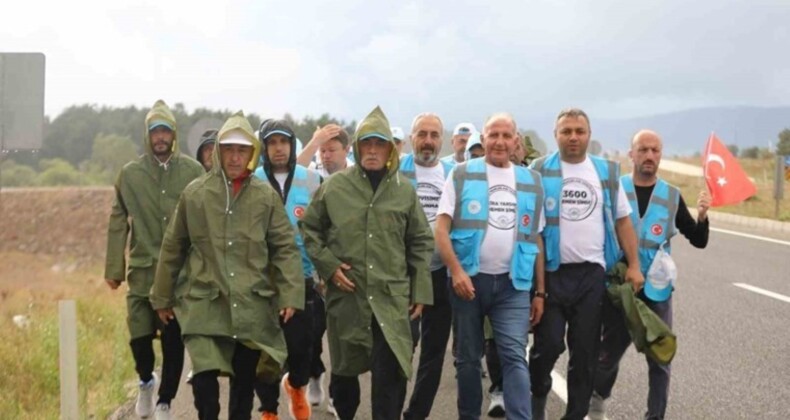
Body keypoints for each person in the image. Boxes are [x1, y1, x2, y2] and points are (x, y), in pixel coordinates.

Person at [150, 111, 304, 420]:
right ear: (218, 151)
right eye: (228, 149)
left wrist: (290, 294)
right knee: (205, 386)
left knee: (243, 390)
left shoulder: (265, 197)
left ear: (251, 153)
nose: (234, 157)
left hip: (251, 306)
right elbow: (173, 247)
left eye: (241, 150)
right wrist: (162, 297)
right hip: (205, 303)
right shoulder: (195, 194)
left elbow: (284, 248)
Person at [299, 106, 434, 420]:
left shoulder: (403, 192)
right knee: (346, 376)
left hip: (391, 297)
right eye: (367, 144)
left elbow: (420, 240)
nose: (372, 151)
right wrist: (329, 266)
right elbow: (309, 229)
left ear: (390, 149)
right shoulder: (334, 188)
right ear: (357, 146)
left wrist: (420, 289)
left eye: (380, 144)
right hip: (349, 297)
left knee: (391, 375)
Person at [528, 108, 643, 420]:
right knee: (548, 346)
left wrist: (634, 264)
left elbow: (623, 222)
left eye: (579, 131)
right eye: (567, 131)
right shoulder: (539, 170)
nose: (573, 137)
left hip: (591, 275)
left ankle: (575, 415)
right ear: (557, 135)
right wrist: (537, 287)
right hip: (552, 273)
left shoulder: (605, 172)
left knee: (585, 353)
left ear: (589, 135)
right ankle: (537, 395)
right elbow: (533, 232)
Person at [588, 129, 710, 420]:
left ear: (661, 156)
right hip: (620, 287)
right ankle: (597, 401)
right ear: (631, 154)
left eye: (655, 151)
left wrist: (703, 216)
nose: (649, 156)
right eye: (643, 150)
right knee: (608, 354)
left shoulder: (671, 195)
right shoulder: (615, 190)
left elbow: (698, 239)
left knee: (660, 356)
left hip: (656, 289)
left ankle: (655, 416)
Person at [435, 113, 545, 420]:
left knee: (514, 357)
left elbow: (535, 238)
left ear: (515, 141)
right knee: (469, 360)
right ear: (483, 140)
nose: (499, 141)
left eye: (505, 135)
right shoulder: (461, 173)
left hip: (513, 286)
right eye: (492, 135)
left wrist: (541, 292)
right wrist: (456, 271)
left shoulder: (531, 181)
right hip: (468, 282)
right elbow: (441, 230)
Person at [104, 99, 204, 419]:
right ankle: (147, 380)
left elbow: (205, 220)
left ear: (174, 134)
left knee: (174, 340)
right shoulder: (130, 175)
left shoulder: (193, 171)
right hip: (143, 270)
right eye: (154, 132)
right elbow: (118, 220)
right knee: (139, 338)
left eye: (165, 131)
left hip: (180, 276)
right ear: (146, 136)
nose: (160, 137)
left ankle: (164, 401)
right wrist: (113, 269)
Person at [252, 119, 322, 420]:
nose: (279, 149)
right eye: (272, 143)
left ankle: (296, 385)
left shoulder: (313, 179)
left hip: (304, 277)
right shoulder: (251, 179)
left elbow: (324, 228)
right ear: (264, 148)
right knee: (263, 351)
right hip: (262, 279)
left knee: (303, 348)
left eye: (284, 142)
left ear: (292, 145)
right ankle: (269, 409)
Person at [399, 113, 455, 420]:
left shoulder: (453, 174)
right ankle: (390, 409)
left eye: (434, 135)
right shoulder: (396, 170)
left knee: (433, 353)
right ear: (411, 139)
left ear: (442, 140)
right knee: (403, 345)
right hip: (403, 274)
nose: (428, 141)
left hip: (439, 273)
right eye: (422, 134)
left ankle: (416, 414)